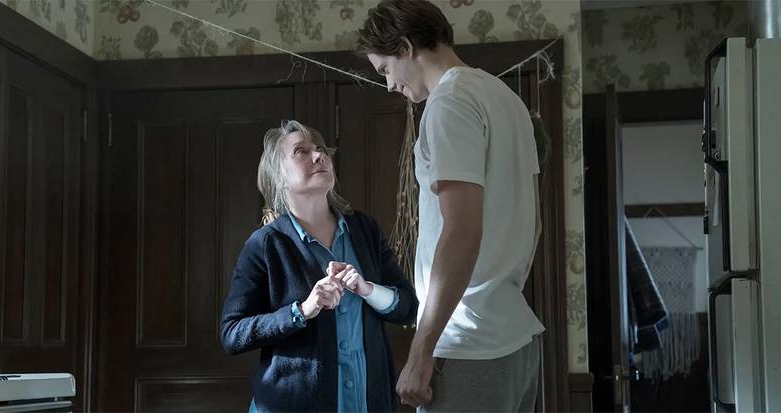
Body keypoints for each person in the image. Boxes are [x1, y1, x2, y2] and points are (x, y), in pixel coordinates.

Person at [357, 1, 544, 411]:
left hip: (468, 347)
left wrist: (422, 350)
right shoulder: (506, 99)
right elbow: (534, 224)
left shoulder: (448, 104)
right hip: (516, 340)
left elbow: (460, 231)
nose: (388, 86)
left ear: (405, 47)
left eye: (385, 70)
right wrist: (498, 289)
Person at [219, 120, 418, 412]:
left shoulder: (365, 230)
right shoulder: (264, 244)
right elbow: (232, 333)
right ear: (279, 177)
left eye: (321, 149)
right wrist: (301, 311)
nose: (319, 156)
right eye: (301, 151)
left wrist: (367, 289)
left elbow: (408, 307)